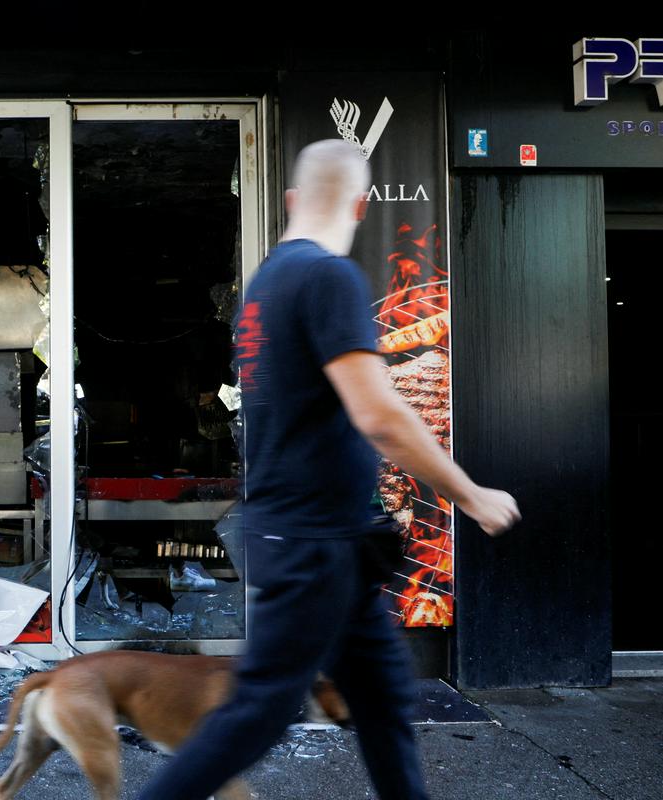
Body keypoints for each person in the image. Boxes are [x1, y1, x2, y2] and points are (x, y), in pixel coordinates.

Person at [134, 139, 520, 800]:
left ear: (291, 200)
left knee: (383, 703)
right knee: (258, 713)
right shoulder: (327, 276)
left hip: (325, 540)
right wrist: (470, 495)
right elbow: (379, 414)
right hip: (312, 542)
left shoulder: (265, 285)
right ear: (362, 205)